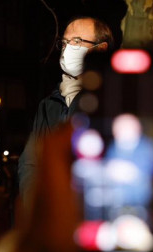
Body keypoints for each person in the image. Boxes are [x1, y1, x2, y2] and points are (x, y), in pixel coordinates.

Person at [18, 16, 113, 205]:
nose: (67, 49)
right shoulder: (48, 104)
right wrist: (35, 203)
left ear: (100, 49)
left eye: (77, 41)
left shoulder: (111, 101)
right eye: (64, 43)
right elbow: (29, 162)